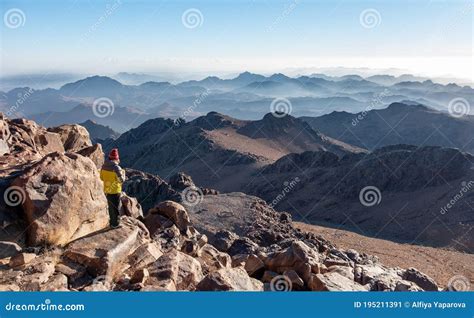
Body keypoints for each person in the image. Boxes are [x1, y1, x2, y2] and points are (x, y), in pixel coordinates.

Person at [100, 148, 126, 228]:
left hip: (107, 190)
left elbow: (101, 178)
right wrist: (123, 173)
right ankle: (116, 224)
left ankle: (112, 222)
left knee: (111, 208)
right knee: (116, 208)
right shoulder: (116, 168)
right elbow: (121, 180)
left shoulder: (104, 166)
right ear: (116, 158)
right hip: (115, 191)